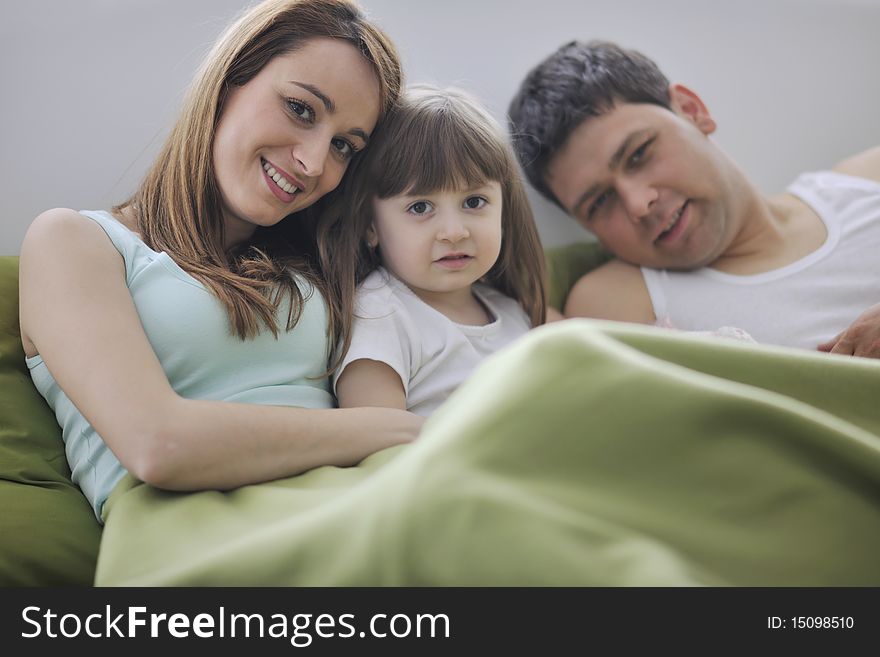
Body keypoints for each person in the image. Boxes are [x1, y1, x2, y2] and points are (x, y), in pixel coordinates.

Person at [17, 0, 423, 523]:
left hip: (356, 512)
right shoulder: (74, 241)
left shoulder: (320, 264)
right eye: (301, 109)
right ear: (228, 81)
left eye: (345, 145)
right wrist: (404, 430)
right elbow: (157, 444)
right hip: (198, 539)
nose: (315, 162)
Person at [508, 40, 880, 358]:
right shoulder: (621, 300)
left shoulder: (867, 181)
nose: (639, 204)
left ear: (691, 111)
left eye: (639, 154)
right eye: (600, 202)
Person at [318, 86, 547, 416]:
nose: (454, 232)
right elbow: (375, 439)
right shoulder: (380, 314)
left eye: (474, 202)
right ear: (371, 226)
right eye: (421, 207)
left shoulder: (513, 311)